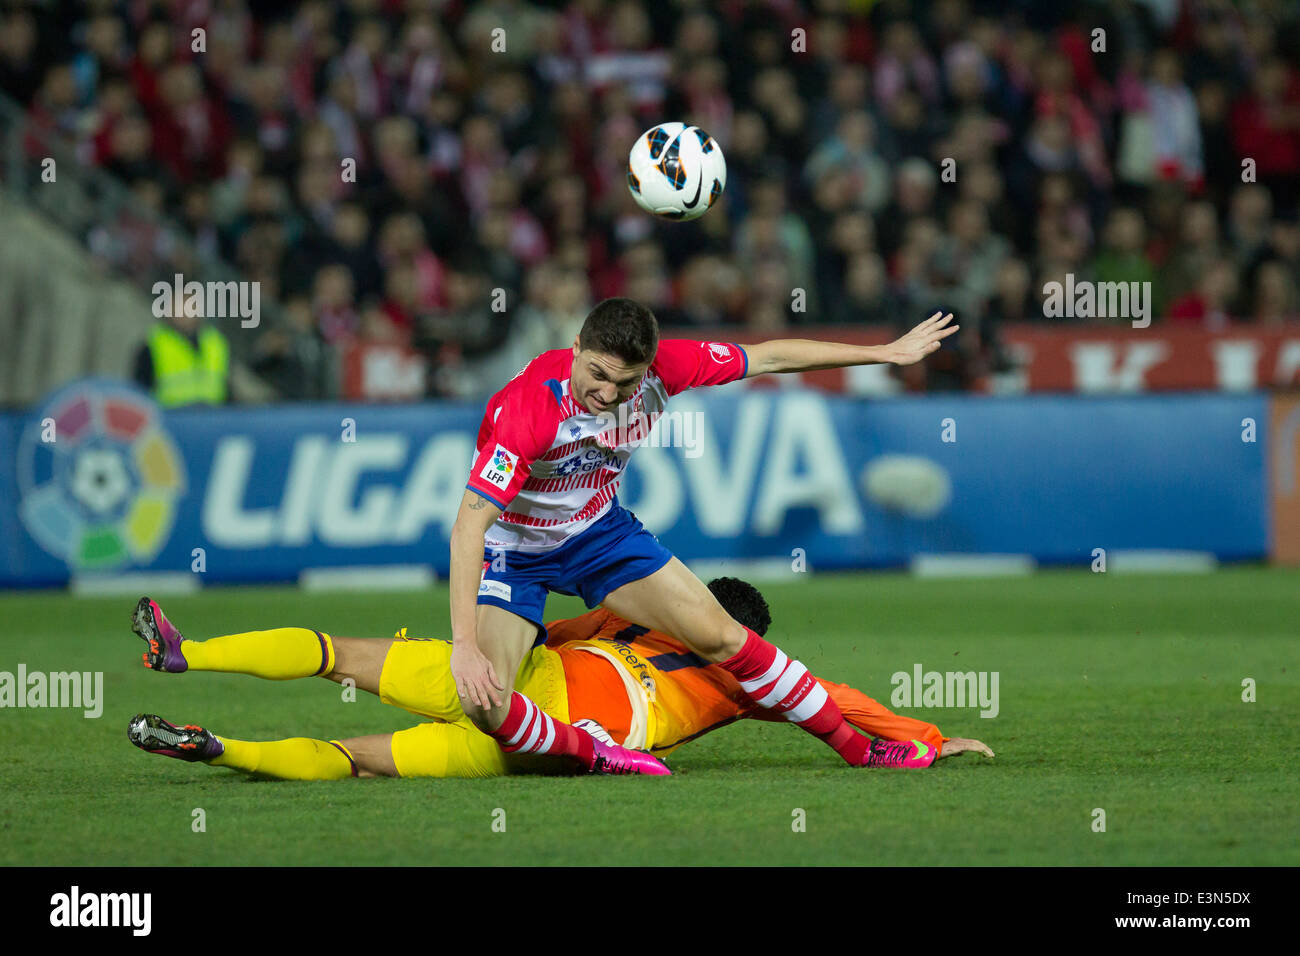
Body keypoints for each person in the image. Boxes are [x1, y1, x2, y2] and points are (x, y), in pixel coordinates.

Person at [447, 297, 958, 774]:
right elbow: (468, 528)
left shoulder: (665, 369)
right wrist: (465, 644)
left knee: (724, 637)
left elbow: (770, 357)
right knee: (483, 703)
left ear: (646, 370)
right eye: (598, 375)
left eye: (624, 384)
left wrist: (884, 353)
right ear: (576, 347)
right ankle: (600, 752)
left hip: (598, 535)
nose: (607, 395)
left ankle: (859, 750)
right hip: (517, 552)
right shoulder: (529, 411)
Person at [125, 581, 993, 778]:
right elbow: (836, 702)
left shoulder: (628, 619)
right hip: (543, 746)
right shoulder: (743, 685)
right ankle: (220, 748)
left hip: (511, 678)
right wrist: (923, 738)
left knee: (334, 652)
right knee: (355, 760)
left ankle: (183, 652)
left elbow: (549, 630)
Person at [132, 309, 231, 407]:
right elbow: (138, 397)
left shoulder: (216, 343)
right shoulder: (153, 345)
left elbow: (227, 390)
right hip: (169, 419)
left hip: (213, 419)